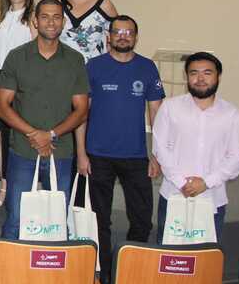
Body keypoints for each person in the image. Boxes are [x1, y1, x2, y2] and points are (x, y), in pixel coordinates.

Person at [75, 15, 165, 284]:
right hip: (97, 156)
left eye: (129, 32)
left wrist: (156, 155)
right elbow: (81, 114)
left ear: (136, 37)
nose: (123, 36)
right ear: (108, 37)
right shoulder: (93, 67)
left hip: (136, 156)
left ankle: (131, 270)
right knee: (99, 221)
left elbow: (157, 116)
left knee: (142, 220)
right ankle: (103, 273)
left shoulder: (147, 68)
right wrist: (81, 153)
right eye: (117, 32)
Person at [0, 0, 90, 240]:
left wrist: (50, 135)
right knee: (16, 219)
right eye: (45, 17)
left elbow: (81, 109)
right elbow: (2, 106)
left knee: (57, 221)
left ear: (63, 22)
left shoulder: (75, 60)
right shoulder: (17, 57)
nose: (51, 22)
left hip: (61, 152)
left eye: (56, 17)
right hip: (23, 151)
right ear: (35, 21)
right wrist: (34, 134)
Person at [153, 52, 239, 244]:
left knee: (205, 262)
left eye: (207, 73)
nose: (200, 79)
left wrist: (206, 182)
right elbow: (160, 148)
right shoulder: (170, 108)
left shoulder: (232, 115)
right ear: (186, 76)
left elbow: (237, 156)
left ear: (218, 76)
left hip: (212, 197)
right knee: (167, 260)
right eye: (194, 73)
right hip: (173, 194)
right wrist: (181, 182)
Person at [0, 0, 36, 208]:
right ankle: (4, 187)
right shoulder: (0, 17)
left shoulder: (33, 18)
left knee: (22, 134)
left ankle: (28, 188)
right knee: (0, 137)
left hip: (22, 80)